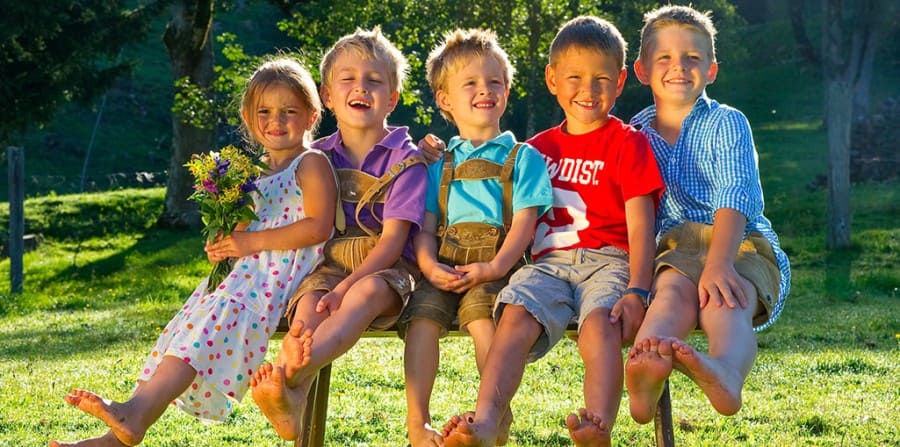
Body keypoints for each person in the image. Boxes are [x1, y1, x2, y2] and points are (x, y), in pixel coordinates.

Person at [49, 57, 337, 447]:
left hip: (280, 280)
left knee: (202, 333)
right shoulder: (251, 173)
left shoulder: (311, 163)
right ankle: (123, 427)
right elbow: (244, 228)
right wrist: (224, 243)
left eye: (289, 111)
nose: (276, 121)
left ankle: (132, 418)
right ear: (248, 117)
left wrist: (249, 243)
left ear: (312, 116)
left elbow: (319, 226)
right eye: (264, 112)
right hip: (245, 276)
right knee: (182, 335)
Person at [440, 16, 664, 447]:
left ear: (620, 82)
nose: (588, 89)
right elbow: (486, 187)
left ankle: (597, 425)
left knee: (599, 326)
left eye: (602, 79)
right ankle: (486, 421)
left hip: (609, 260)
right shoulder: (535, 150)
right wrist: (432, 151)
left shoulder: (628, 142)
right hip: (547, 265)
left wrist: (638, 290)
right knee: (515, 315)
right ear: (552, 80)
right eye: (574, 77)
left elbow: (641, 224)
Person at [248, 27, 428, 441]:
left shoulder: (407, 160)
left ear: (392, 98)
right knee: (308, 304)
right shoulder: (317, 156)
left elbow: (393, 242)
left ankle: (289, 374)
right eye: (347, 79)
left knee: (364, 294)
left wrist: (346, 287)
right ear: (327, 96)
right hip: (327, 266)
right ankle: (290, 396)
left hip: (388, 270)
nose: (360, 87)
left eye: (374, 80)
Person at [625, 4, 791, 425]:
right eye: (664, 57)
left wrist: (719, 263)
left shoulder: (727, 122)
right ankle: (645, 368)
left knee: (725, 302)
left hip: (739, 243)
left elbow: (735, 194)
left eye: (692, 58)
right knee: (670, 295)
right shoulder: (634, 134)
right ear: (642, 70)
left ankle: (727, 373)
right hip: (674, 248)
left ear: (711, 70)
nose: (678, 67)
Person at [397, 28, 553, 447]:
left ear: (506, 91)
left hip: (497, 266)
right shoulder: (439, 161)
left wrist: (495, 266)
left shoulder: (523, 157)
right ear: (445, 99)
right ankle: (418, 422)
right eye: (470, 83)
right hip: (443, 265)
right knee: (422, 318)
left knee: (483, 320)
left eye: (494, 82)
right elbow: (427, 224)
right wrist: (428, 265)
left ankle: (492, 417)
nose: (485, 90)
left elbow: (524, 224)